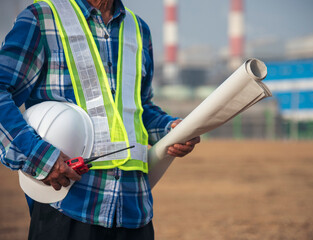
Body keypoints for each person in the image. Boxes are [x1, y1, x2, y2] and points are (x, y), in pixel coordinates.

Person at [0, 0, 200, 239]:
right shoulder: (42, 18)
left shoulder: (139, 29)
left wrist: (172, 129)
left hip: (134, 209)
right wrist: (39, 157)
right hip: (68, 206)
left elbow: (138, 107)